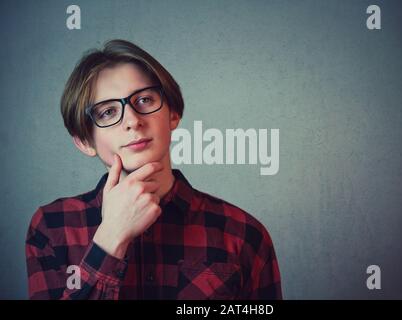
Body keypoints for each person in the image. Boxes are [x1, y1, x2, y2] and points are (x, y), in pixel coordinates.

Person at [25, 39, 282, 300]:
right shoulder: (52, 228)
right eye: (107, 112)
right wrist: (110, 237)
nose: (133, 121)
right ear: (84, 141)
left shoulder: (243, 233)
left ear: (173, 113)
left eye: (145, 100)